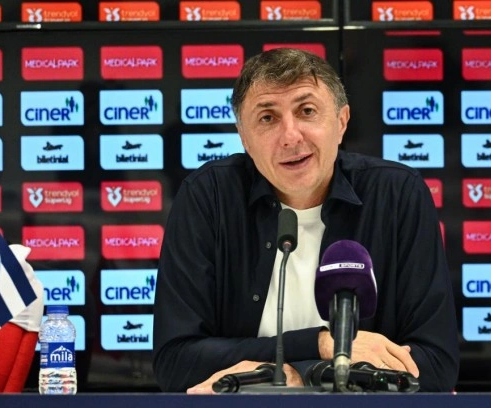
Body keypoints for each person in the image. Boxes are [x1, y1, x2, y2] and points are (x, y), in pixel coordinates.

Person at [153, 48, 459, 393]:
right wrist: (322, 345)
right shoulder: (208, 197)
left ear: (341, 122)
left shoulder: (398, 194)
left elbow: (435, 367)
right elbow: (175, 363)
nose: (290, 136)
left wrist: (300, 373)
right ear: (244, 137)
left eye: (307, 111)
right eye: (267, 118)